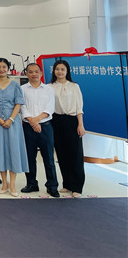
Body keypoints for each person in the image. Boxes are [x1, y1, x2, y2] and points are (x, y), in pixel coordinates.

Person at [0, 58, 28, 196]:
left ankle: (13, 185)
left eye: (4, 67)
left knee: (13, 151)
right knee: (0, 150)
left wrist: (10, 119)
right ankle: (4, 183)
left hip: (12, 122)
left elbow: (18, 103)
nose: (1, 69)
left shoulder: (15, 85)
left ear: (8, 68)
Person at [20, 63, 59, 197]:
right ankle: (31, 184)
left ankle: (52, 186)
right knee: (30, 157)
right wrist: (32, 122)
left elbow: (50, 108)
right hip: (28, 127)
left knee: (48, 158)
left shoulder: (48, 89)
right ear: (27, 74)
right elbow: (22, 107)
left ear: (41, 73)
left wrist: (36, 120)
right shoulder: (22, 89)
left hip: (45, 126)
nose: (34, 74)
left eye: (36, 71)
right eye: (30, 72)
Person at [49, 59, 86, 198]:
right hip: (55, 121)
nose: (60, 72)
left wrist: (80, 124)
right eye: (57, 69)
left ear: (67, 71)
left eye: (62, 69)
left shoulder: (74, 86)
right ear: (54, 71)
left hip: (71, 121)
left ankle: (77, 187)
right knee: (61, 153)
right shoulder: (49, 87)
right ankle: (67, 184)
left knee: (75, 154)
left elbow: (79, 107)